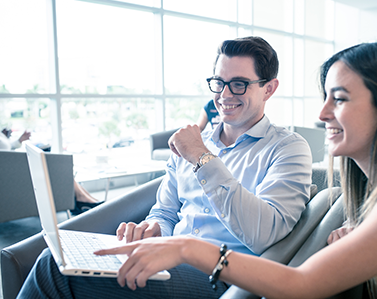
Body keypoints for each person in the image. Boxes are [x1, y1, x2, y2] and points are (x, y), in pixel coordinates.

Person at [89, 42, 377, 298]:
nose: (322, 114)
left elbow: (302, 285)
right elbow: (165, 210)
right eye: (325, 98)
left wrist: (185, 247)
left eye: (338, 99)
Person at [18, 36, 312, 298]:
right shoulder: (193, 142)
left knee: (52, 270)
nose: (224, 95)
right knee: (59, 258)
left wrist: (202, 158)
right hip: (166, 258)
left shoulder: (288, 148)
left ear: (269, 88)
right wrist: (153, 228)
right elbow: (166, 210)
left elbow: (265, 235)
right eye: (219, 83)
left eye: (239, 84)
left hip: (224, 276)